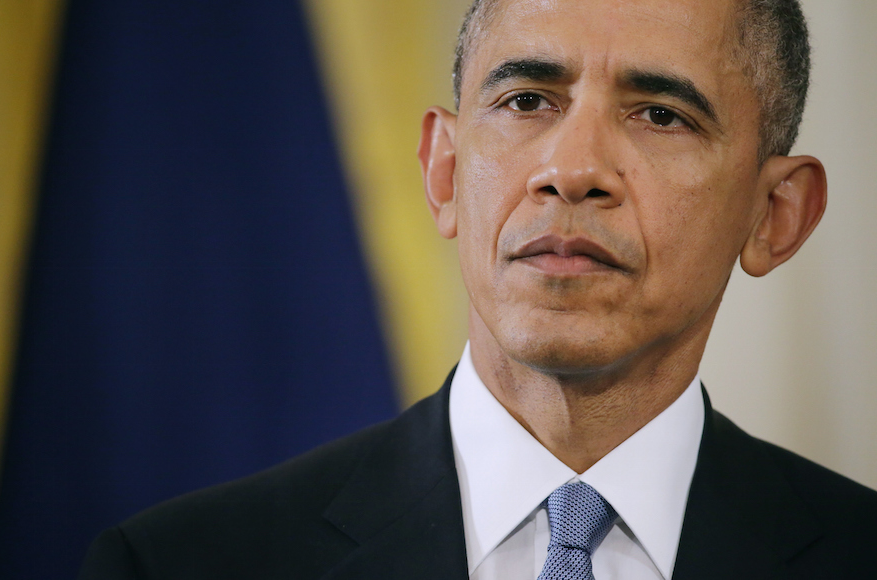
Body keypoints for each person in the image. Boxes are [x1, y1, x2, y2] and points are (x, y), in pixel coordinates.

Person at [79, 0, 877, 578]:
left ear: (776, 216)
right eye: (527, 101)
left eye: (660, 115)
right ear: (446, 170)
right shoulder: (180, 564)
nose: (572, 171)